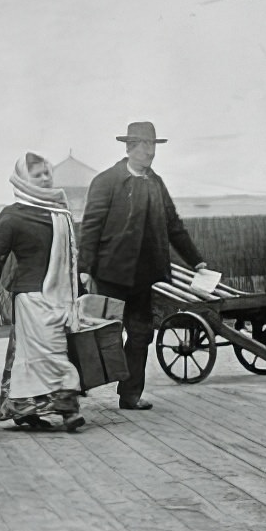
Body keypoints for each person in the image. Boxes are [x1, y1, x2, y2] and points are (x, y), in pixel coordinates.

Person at [78, 121, 207, 411]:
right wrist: (85, 268)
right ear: (129, 147)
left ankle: (130, 394)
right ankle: (76, 385)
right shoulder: (106, 181)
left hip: (143, 278)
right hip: (110, 275)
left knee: (141, 334)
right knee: (97, 333)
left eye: (152, 146)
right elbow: (91, 227)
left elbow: (174, 225)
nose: (149, 152)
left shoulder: (155, 182)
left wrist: (195, 259)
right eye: (144, 145)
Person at [0, 152, 85, 432]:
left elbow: (71, 261)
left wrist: (80, 296)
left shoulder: (60, 212)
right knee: (53, 354)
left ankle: (23, 409)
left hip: (61, 298)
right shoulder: (12, 216)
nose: (46, 178)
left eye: (47, 173)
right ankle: (69, 410)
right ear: (23, 180)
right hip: (31, 298)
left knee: (37, 355)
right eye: (38, 175)